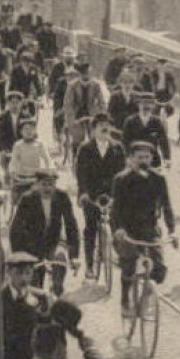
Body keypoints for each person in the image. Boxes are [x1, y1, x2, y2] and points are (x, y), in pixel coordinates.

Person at [111, 142, 178, 319]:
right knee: (129, 265)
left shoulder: (158, 179)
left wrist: (172, 230)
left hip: (150, 228)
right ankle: (125, 299)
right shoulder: (121, 180)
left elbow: (167, 206)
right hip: (127, 229)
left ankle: (148, 292)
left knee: (159, 269)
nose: (143, 161)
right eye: (139, 157)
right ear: (131, 159)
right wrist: (118, 230)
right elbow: (116, 210)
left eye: (147, 157)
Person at [9, 168, 81, 295]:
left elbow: (71, 225)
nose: (48, 189)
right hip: (31, 246)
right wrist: (19, 257)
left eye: (51, 184)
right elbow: (16, 229)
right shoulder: (27, 199)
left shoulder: (62, 197)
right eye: (44, 184)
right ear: (37, 184)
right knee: (35, 286)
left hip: (54, 242)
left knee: (60, 259)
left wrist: (74, 256)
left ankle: (56, 292)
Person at [74, 115, 127, 282]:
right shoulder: (85, 149)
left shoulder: (118, 147)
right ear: (93, 129)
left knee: (118, 224)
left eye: (107, 125)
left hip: (113, 194)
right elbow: (80, 174)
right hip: (91, 195)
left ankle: (120, 256)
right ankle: (89, 266)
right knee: (90, 227)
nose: (105, 128)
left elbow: (122, 174)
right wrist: (83, 193)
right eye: (101, 125)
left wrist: (119, 195)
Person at [8, 117, 54, 204]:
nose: (29, 132)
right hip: (21, 179)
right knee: (18, 199)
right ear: (21, 132)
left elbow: (47, 159)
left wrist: (50, 168)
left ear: (35, 131)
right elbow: (13, 161)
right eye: (26, 129)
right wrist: (12, 171)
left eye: (31, 129)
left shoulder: (39, 144)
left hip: (36, 179)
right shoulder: (18, 145)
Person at [122, 93, 172, 169]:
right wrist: (127, 157)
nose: (146, 106)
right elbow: (125, 141)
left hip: (153, 159)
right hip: (135, 159)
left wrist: (167, 158)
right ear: (138, 104)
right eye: (144, 103)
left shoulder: (157, 122)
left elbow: (163, 140)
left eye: (150, 103)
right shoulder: (130, 121)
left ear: (153, 106)